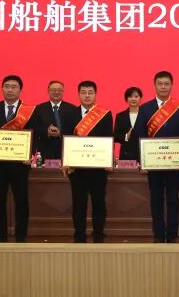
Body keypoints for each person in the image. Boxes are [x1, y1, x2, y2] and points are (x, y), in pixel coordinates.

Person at [136, 70, 179, 243]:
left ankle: (172, 234)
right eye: (160, 84)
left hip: (174, 163)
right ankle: (158, 234)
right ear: (155, 85)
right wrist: (142, 162)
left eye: (166, 84)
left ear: (171, 85)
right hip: (153, 164)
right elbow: (140, 135)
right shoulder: (145, 108)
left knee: (173, 199)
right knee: (156, 199)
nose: (163, 87)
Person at [0, 74, 37, 242]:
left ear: (20, 90)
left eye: (14, 87)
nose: (10, 90)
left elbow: (34, 135)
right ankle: (0, 235)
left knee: (21, 199)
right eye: (7, 86)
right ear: (2, 89)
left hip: (20, 163)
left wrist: (31, 154)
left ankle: (21, 235)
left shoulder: (29, 110)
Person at [62, 80, 114, 243]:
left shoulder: (105, 114)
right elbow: (66, 138)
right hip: (77, 168)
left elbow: (108, 138)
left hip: (98, 167)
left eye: (90, 92)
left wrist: (108, 160)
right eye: (83, 92)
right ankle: (79, 234)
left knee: (99, 202)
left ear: (95, 94)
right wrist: (66, 160)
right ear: (78, 95)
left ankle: (98, 233)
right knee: (79, 202)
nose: (87, 95)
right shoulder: (70, 114)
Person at [33, 80, 78, 161]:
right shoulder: (39, 108)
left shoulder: (72, 109)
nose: (56, 92)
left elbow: (75, 130)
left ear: (63, 91)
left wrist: (60, 133)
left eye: (59, 90)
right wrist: (47, 132)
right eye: (53, 90)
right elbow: (35, 129)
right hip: (45, 151)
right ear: (48, 91)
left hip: (65, 150)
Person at [113, 87, 143, 161]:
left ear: (140, 98)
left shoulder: (146, 115)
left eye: (136, 96)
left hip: (143, 153)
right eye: (130, 96)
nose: (133, 99)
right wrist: (125, 136)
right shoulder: (120, 116)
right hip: (126, 155)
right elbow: (115, 135)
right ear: (126, 99)